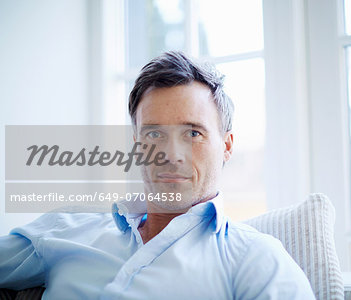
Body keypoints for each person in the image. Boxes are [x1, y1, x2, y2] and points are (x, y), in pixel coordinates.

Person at [0, 51, 315, 299]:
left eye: (193, 133)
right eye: (153, 135)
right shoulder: (66, 227)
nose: (170, 154)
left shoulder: (257, 260)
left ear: (227, 146)